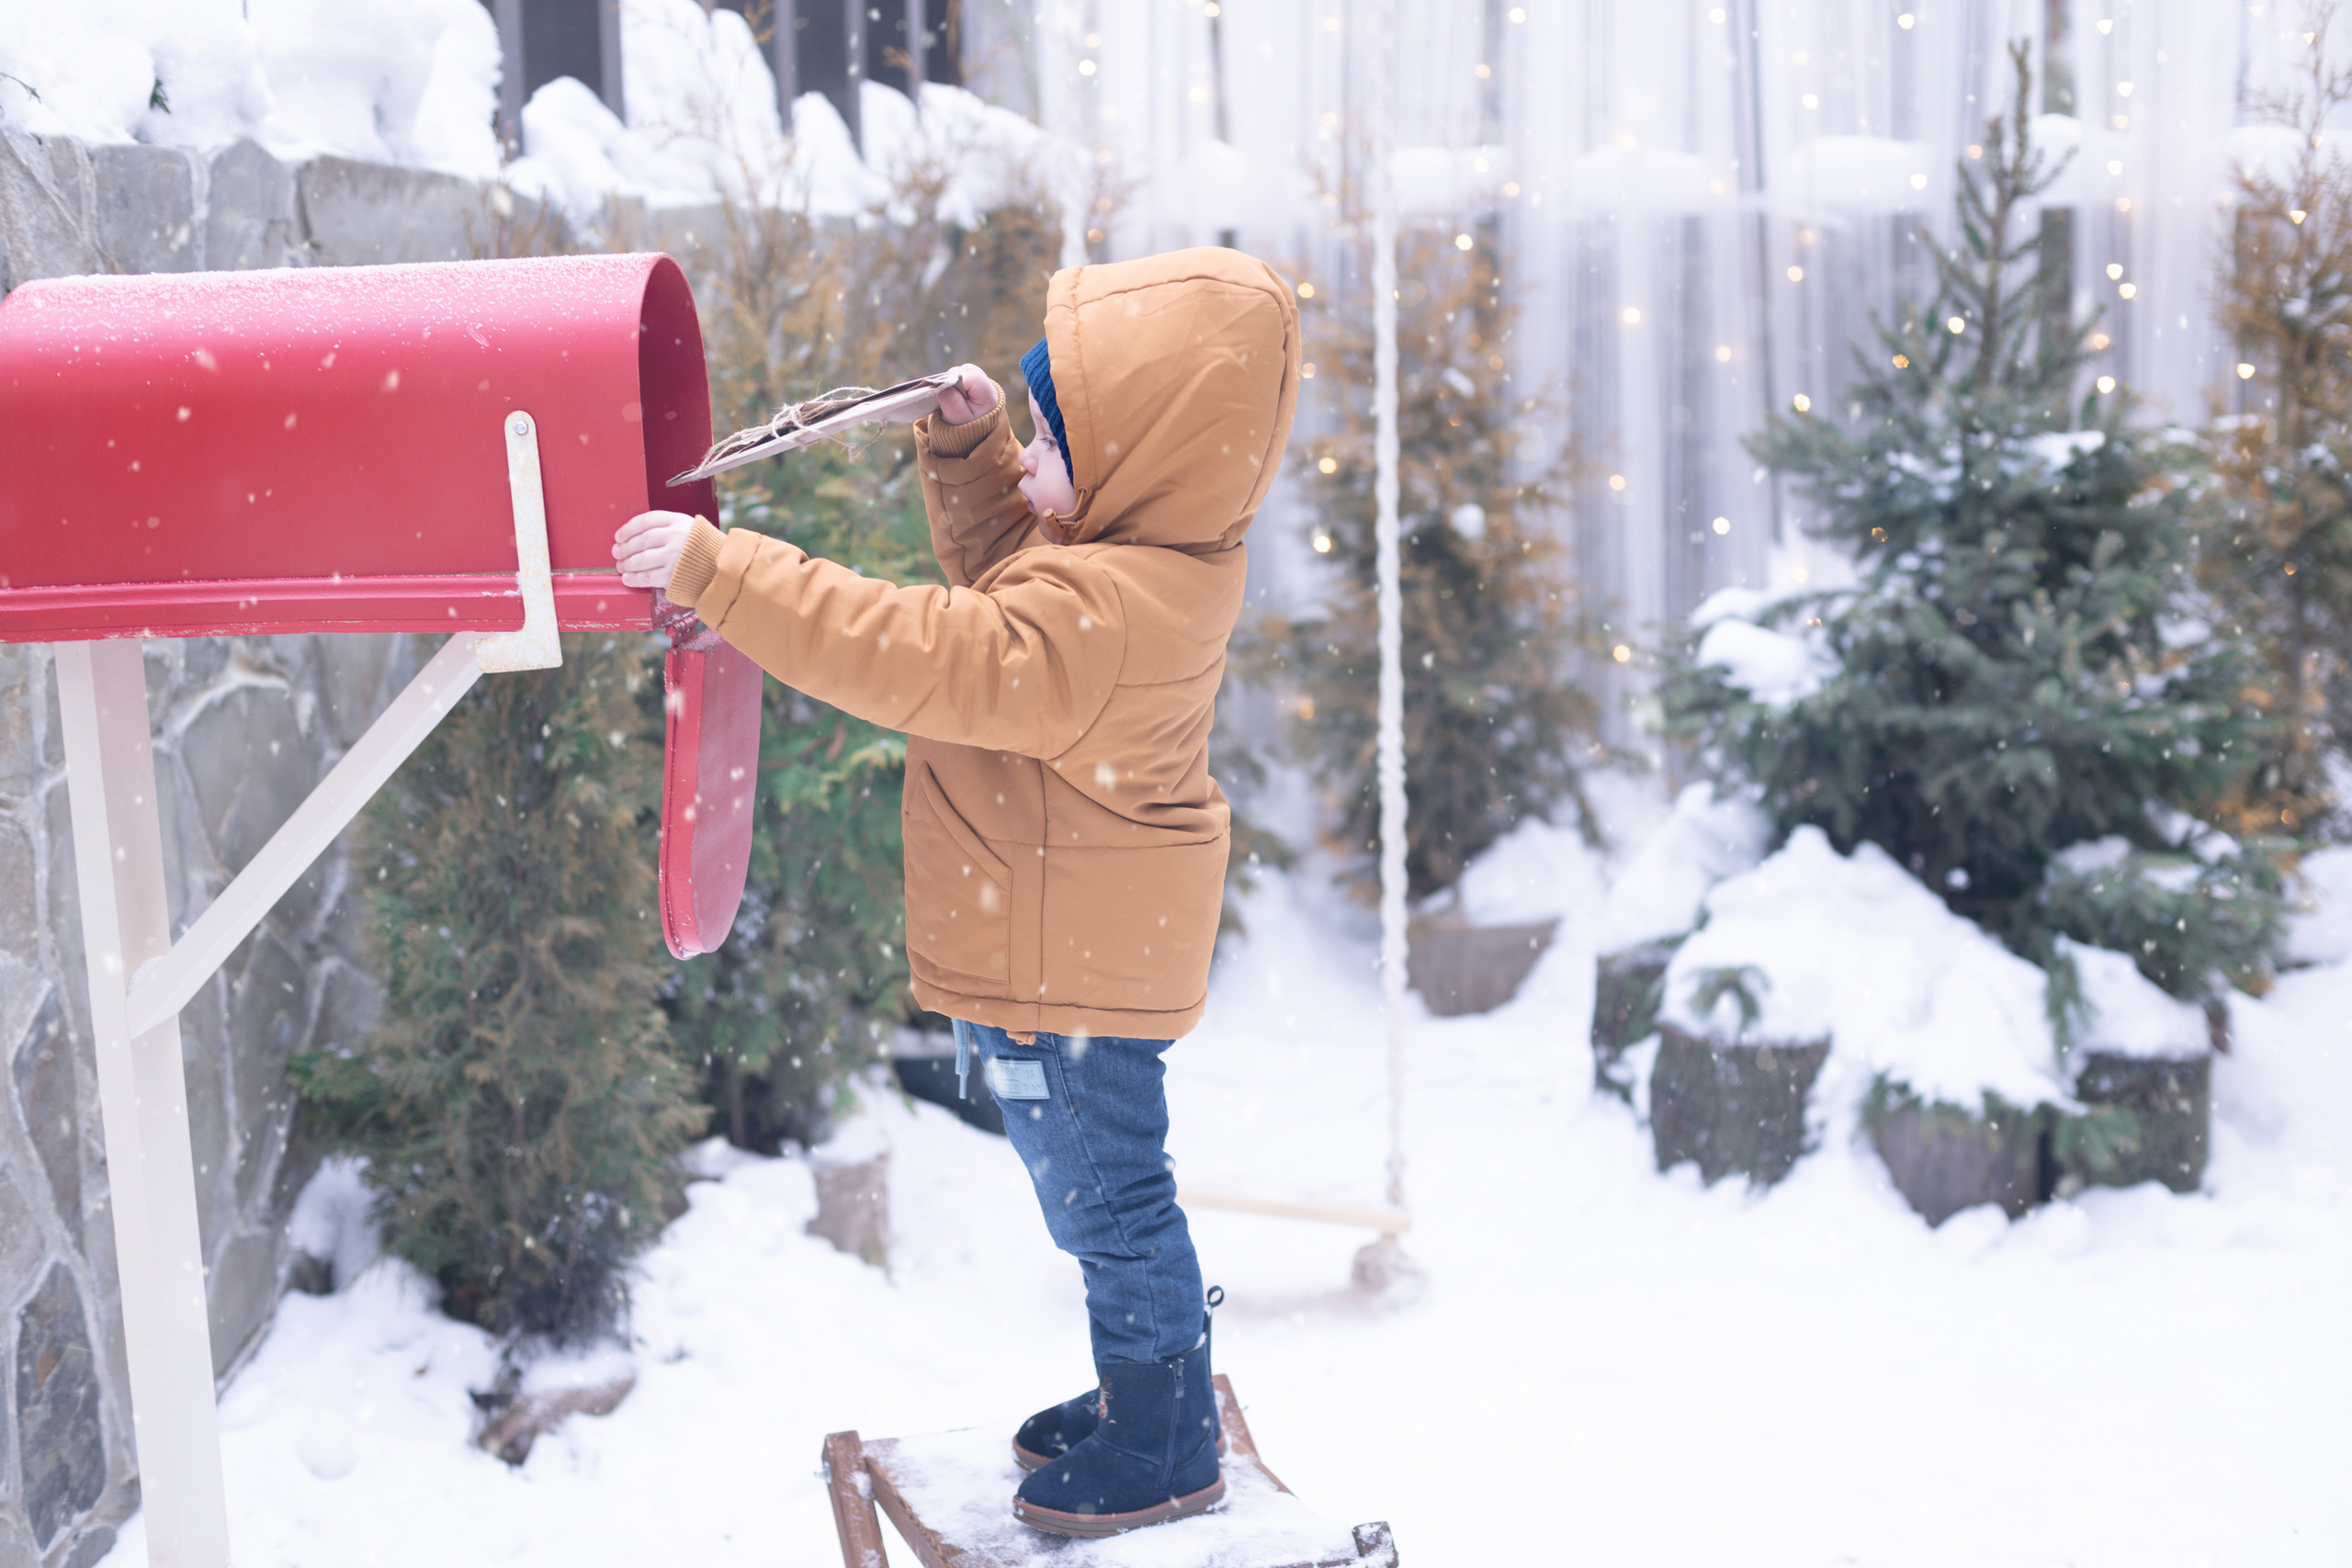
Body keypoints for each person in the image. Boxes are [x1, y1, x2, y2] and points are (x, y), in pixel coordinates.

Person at [611, 247, 1300, 1538]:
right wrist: (979, 457)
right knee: (1097, 1202)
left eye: (1045, 444)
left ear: (1131, 469)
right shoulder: (1146, 562)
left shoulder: (1107, 615)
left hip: (1071, 980)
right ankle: (1141, 1393)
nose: (1031, 464)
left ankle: (1165, 1436)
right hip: (1074, 960)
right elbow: (1023, 591)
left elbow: (930, 651)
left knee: (1111, 1206)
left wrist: (723, 571)